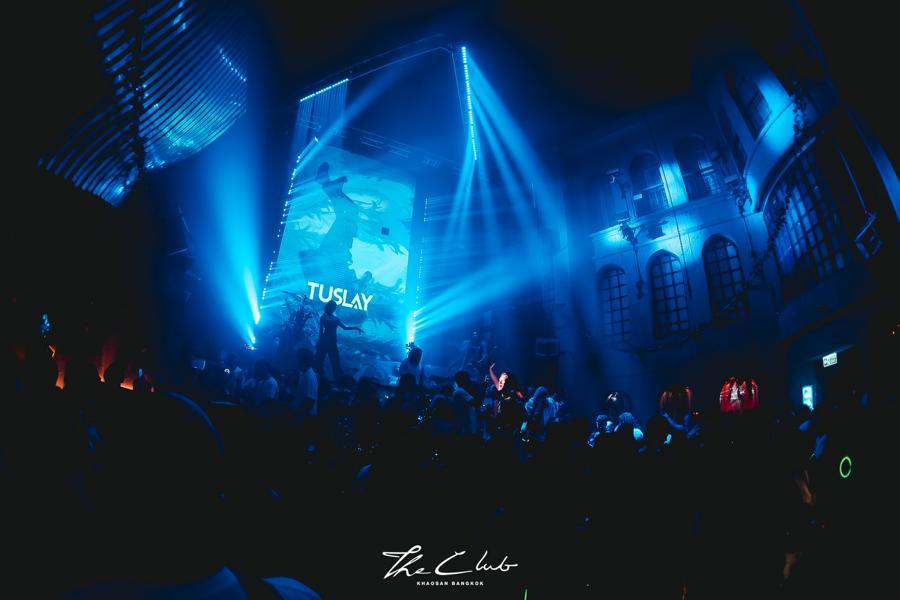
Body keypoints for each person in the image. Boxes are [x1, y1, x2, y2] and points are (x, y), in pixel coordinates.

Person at [314, 300, 361, 380]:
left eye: (334, 307)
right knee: (323, 360)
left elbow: (344, 328)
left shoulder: (332, 318)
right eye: (333, 307)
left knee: (333, 361)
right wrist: (319, 342)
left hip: (330, 341)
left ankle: (335, 379)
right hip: (327, 341)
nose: (334, 309)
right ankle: (320, 378)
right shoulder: (327, 318)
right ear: (330, 307)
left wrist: (356, 327)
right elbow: (321, 331)